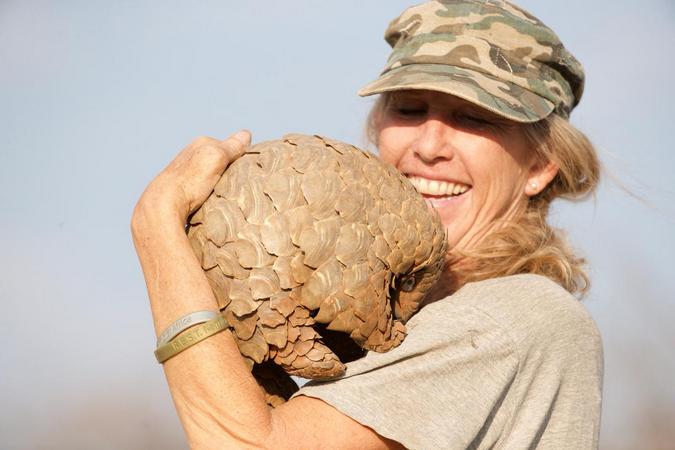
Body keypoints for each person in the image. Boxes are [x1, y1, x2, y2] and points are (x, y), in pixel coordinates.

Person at [131, 0, 603, 448]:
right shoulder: (405, 323)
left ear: (542, 165)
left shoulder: (504, 319)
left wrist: (158, 229)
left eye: (475, 117)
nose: (429, 144)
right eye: (409, 109)